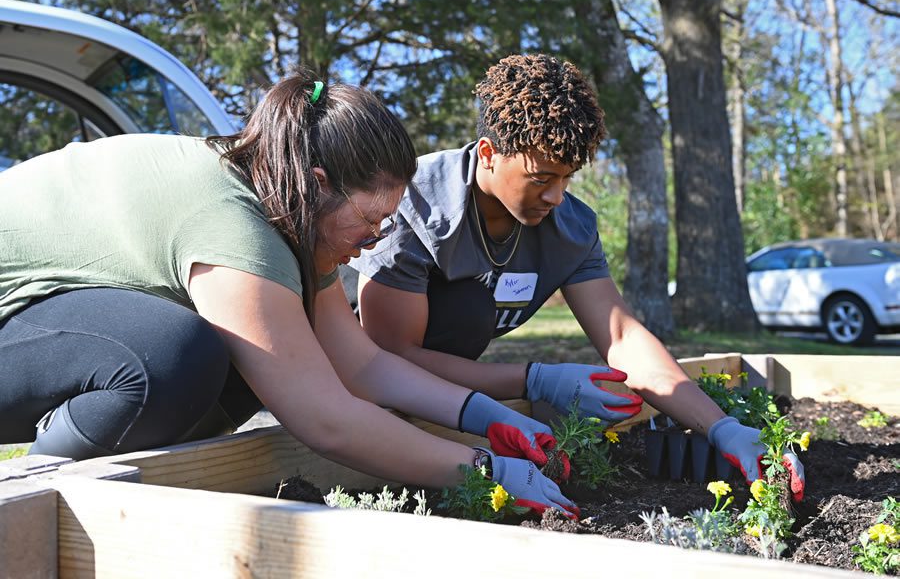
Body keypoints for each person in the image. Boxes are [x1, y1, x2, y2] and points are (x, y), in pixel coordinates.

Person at [0, 69, 578, 517]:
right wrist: (483, 469)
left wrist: (487, 416)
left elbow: (361, 364)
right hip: (14, 315)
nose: (378, 237)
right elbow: (326, 421)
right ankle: (35, 493)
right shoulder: (234, 223)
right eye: (373, 218)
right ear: (322, 183)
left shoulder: (296, 216)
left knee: (251, 361)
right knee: (169, 357)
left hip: (45, 321)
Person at [349, 53, 806, 500]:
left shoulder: (571, 228)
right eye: (541, 177)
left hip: (456, 385)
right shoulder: (417, 205)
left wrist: (721, 425)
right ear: (488, 153)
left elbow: (622, 335)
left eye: (568, 177)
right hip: (354, 374)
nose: (556, 195)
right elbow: (389, 356)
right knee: (468, 307)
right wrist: (534, 381)